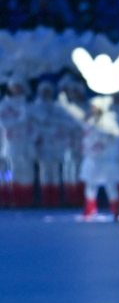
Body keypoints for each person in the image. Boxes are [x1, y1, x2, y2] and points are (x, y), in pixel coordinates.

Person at [60, 95, 119, 220]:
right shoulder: (90, 121)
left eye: (94, 107)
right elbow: (78, 116)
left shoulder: (109, 120)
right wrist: (67, 105)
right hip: (92, 160)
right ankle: (90, 209)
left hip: (106, 161)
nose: (92, 109)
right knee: (90, 185)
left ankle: (115, 209)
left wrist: (110, 137)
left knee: (111, 186)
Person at [30, 81, 76, 207]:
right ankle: (46, 199)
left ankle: (55, 200)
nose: (47, 94)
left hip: (56, 145)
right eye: (45, 91)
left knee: (56, 172)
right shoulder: (35, 107)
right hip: (42, 145)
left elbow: (68, 122)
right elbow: (37, 124)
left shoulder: (58, 107)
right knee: (44, 172)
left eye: (49, 91)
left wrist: (54, 125)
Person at [0, 77, 36, 208]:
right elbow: (4, 124)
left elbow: (35, 125)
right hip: (11, 144)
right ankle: (14, 199)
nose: (17, 89)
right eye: (14, 86)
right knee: (13, 171)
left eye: (19, 86)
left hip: (27, 144)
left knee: (27, 171)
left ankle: (26, 199)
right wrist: (20, 122)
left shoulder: (29, 105)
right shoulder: (4, 105)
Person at [58, 76, 87, 207]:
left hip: (82, 143)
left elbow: (86, 122)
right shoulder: (63, 107)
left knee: (80, 169)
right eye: (71, 91)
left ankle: (81, 197)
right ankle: (70, 197)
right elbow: (57, 122)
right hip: (66, 143)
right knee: (67, 170)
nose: (73, 93)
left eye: (76, 91)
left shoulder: (86, 106)